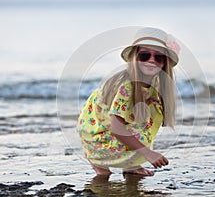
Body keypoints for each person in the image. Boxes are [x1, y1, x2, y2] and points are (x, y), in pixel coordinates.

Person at [77, 27, 180, 176]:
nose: (152, 60)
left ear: (165, 63)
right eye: (144, 55)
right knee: (140, 138)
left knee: (148, 117)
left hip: (106, 127)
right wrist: (148, 153)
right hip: (96, 135)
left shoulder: (154, 82)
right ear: (134, 57)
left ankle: (131, 166)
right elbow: (116, 127)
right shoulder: (126, 85)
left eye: (159, 57)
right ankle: (100, 164)